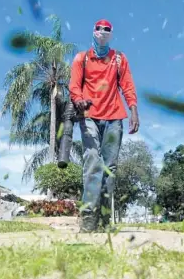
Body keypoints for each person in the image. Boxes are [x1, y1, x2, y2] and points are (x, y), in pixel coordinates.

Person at [69, 19, 139, 232]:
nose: (103, 32)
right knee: (92, 162)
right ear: (93, 31)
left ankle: (105, 220)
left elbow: (127, 85)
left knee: (110, 169)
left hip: (114, 118)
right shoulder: (81, 59)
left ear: (111, 34)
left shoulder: (119, 59)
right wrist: (78, 99)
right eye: (99, 29)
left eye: (107, 29)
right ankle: (89, 218)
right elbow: (74, 85)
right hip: (89, 116)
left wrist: (133, 110)